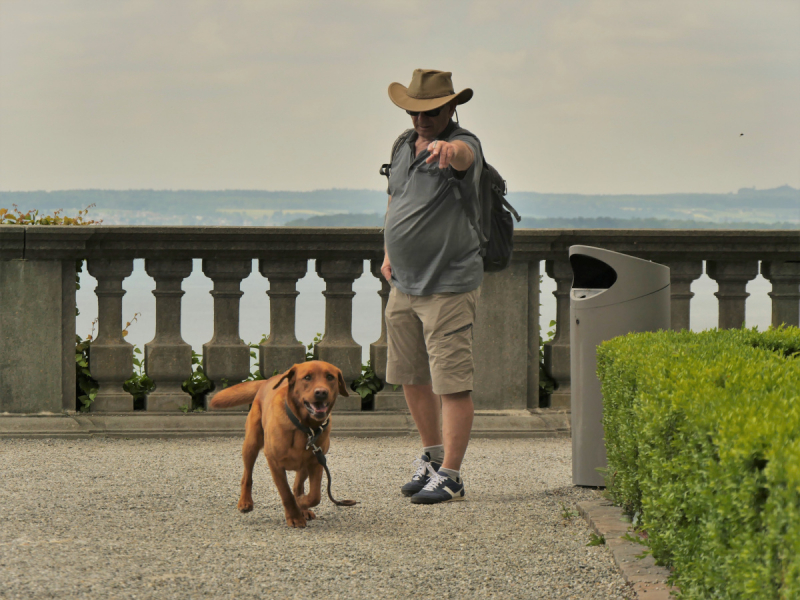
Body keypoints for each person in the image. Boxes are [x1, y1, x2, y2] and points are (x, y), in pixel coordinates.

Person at [381, 69, 483, 504]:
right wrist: (388, 252)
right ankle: (431, 456)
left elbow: (464, 157)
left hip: (448, 284)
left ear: (451, 108)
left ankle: (453, 474)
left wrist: (450, 149)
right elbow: (395, 199)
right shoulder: (403, 144)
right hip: (403, 283)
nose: (421, 119)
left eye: (432, 111)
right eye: (415, 110)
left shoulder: (465, 142)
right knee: (410, 374)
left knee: (452, 381)